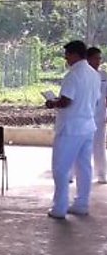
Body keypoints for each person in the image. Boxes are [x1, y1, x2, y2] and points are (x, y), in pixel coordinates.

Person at [46, 41, 102, 218]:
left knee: (61, 168)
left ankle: (59, 208)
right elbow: (97, 99)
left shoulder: (73, 74)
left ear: (75, 54)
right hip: (88, 126)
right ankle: (81, 204)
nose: (66, 58)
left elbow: (66, 101)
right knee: (84, 167)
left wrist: (52, 102)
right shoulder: (94, 75)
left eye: (67, 55)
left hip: (71, 128)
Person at [87, 47, 107, 183]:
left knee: (99, 145)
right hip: (83, 116)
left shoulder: (104, 76)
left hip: (99, 116)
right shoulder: (81, 75)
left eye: (100, 58)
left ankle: (101, 174)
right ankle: (73, 174)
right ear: (88, 59)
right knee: (80, 146)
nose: (98, 61)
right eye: (96, 58)